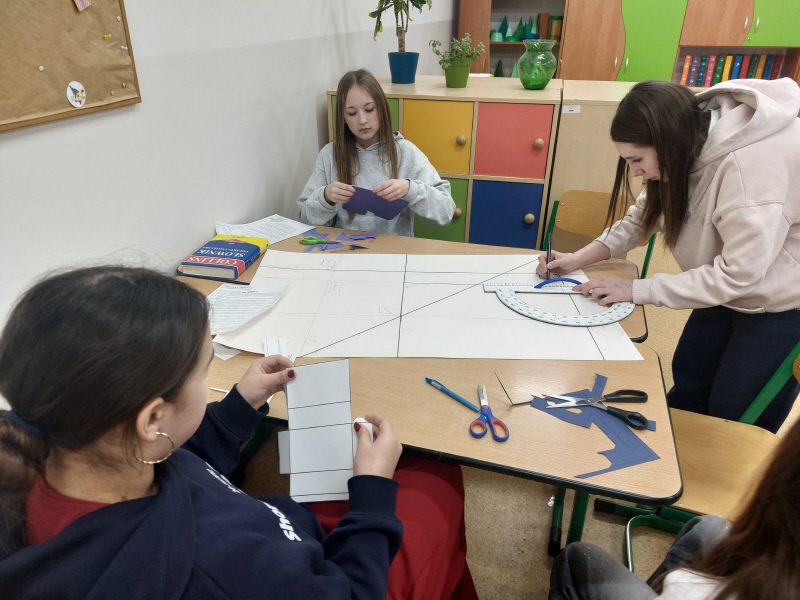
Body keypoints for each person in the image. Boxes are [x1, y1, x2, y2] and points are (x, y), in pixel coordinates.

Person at [0, 266, 475, 599]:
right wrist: (371, 492)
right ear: (152, 420)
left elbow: (183, 461)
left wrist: (238, 406)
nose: (207, 382)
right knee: (437, 479)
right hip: (328, 574)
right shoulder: (216, 568)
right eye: (203, 372)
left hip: (276, 532)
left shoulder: (65, 450)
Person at [538, 78, 800, 432]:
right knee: (689, 384)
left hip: (781, 305)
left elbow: (738, 275)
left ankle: (708, 468)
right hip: (725, 288)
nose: (634, 172)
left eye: (637, 160)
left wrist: (637, 289)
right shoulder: (685, 144)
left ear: (666, 143)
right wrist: (575, 259)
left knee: (734, 415)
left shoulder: (748, 171)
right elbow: (639, 221)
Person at [549, 410, 800, 600]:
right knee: (709, 528)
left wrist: (676, 588)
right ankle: (653, 590)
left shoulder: (689, 589)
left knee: (576, 556)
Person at [297, 69, 455, 236]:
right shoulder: (330, 155)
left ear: (381, 108)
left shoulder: (406, 153)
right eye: (352, 113)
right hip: (344, 247)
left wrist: (410, 189)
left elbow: (445, 213)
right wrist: (325, 197)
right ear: (343, 118)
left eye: (369, 109)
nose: (362, 120)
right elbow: (304, 218)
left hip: (393, 249)